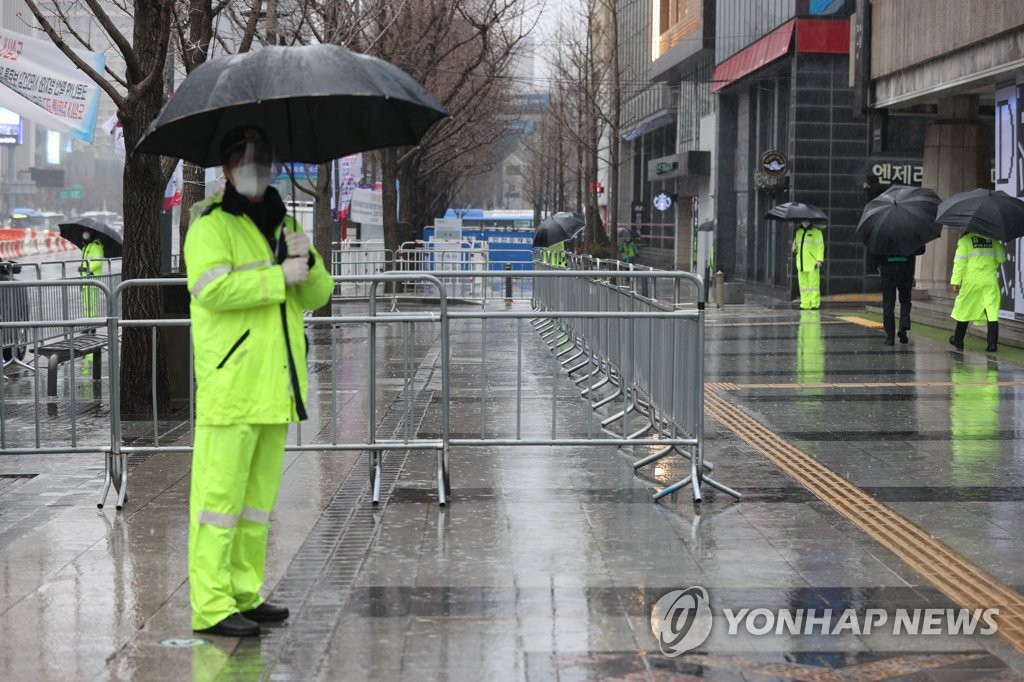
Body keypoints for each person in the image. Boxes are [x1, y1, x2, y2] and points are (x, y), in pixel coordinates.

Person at [184, 126, 334, 638]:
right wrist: (277, 278)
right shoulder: (211, 225)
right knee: (218, 503)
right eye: (245, 157)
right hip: (232, 387)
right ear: (226, 168)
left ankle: (244, 592)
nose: (255, 165)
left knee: (253, 507)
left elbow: (318, 295)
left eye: (263, 157)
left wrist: (307, 260)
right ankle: (211, 604)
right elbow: (211, 290)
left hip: (275, 388)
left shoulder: (283, 223)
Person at [949, 231, 1005, 352]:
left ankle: (958, 340)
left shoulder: (965, 241)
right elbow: (1002, 259)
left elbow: (959, 264)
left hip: (971, 281)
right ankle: (992, 344)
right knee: (992, 310)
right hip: (989, 281)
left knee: (965, 308)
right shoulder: (993, 240)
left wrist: (955, 282)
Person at [872, 245, 925, 346]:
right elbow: (921, 249)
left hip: (887, 269)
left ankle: (890, 337)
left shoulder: (884, 234)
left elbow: (875, 253)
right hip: (905, 269)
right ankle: (903, 326)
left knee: (888, 303)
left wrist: (880, 265)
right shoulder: (908, 233)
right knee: (905, 300)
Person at [792, 220, 824, 310]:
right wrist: (794, 248)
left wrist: (819, 260)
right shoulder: (798, 232)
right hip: (801, 264)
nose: (805, 222)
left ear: (810, 221)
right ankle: (805, 304)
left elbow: (820, 247)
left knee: (814, 285)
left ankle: (814, 304)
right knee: (803, 286)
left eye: (807, 221)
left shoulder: (817, 232)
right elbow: (795, 249)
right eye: (803, 221)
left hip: (812, 264)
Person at [79, 230, 104, 319]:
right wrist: (82, 268)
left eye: (87, 234)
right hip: (85, 279)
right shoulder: (86, 247)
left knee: (92, 303)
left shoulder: (96, 246)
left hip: (93, 278)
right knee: (86, 304)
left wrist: (87, 269)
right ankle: (88, 322)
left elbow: (98, 262)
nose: (85, 236)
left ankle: (92, 325)